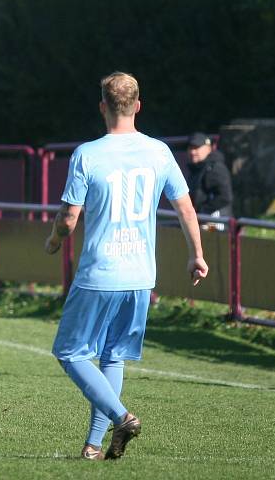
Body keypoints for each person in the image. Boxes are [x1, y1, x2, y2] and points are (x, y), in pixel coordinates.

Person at [44, 71, 208, 461]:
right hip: (140, 275)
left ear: (102, 106)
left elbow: (69, 218)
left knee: (70, 352)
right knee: (113, 356)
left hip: (100, 271)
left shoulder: (88, 153)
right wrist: (196, 254)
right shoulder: (159, 152)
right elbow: (184, 206)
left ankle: (122, 416)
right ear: (138, 106)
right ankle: (92, 446)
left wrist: (53, 240)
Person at [186, 132, 233, 224]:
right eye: (190, 148)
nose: (192, 152)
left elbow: (225, 197)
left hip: (215, 223)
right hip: (202, 220)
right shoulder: (196, 168)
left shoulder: (215, 168)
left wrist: (202, 211)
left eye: (196, 148)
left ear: (208, 148)